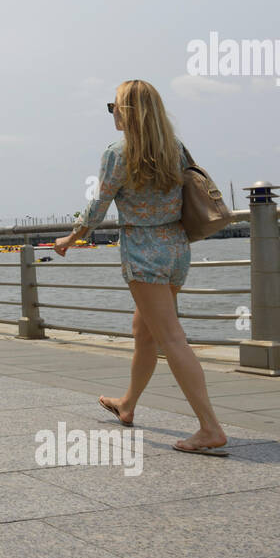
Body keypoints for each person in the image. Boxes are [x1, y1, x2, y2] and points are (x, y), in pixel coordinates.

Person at [55, 79, 229, 455]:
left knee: (170, 337)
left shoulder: (119, 153)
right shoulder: (175, 149)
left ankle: (210, 427)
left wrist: (71, 238)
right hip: (177, 248)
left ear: (129, 112)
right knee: (144, 328)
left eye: (114, 106)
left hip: (144, 251)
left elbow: (98, 207)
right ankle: (128, 403)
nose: (112, 112)